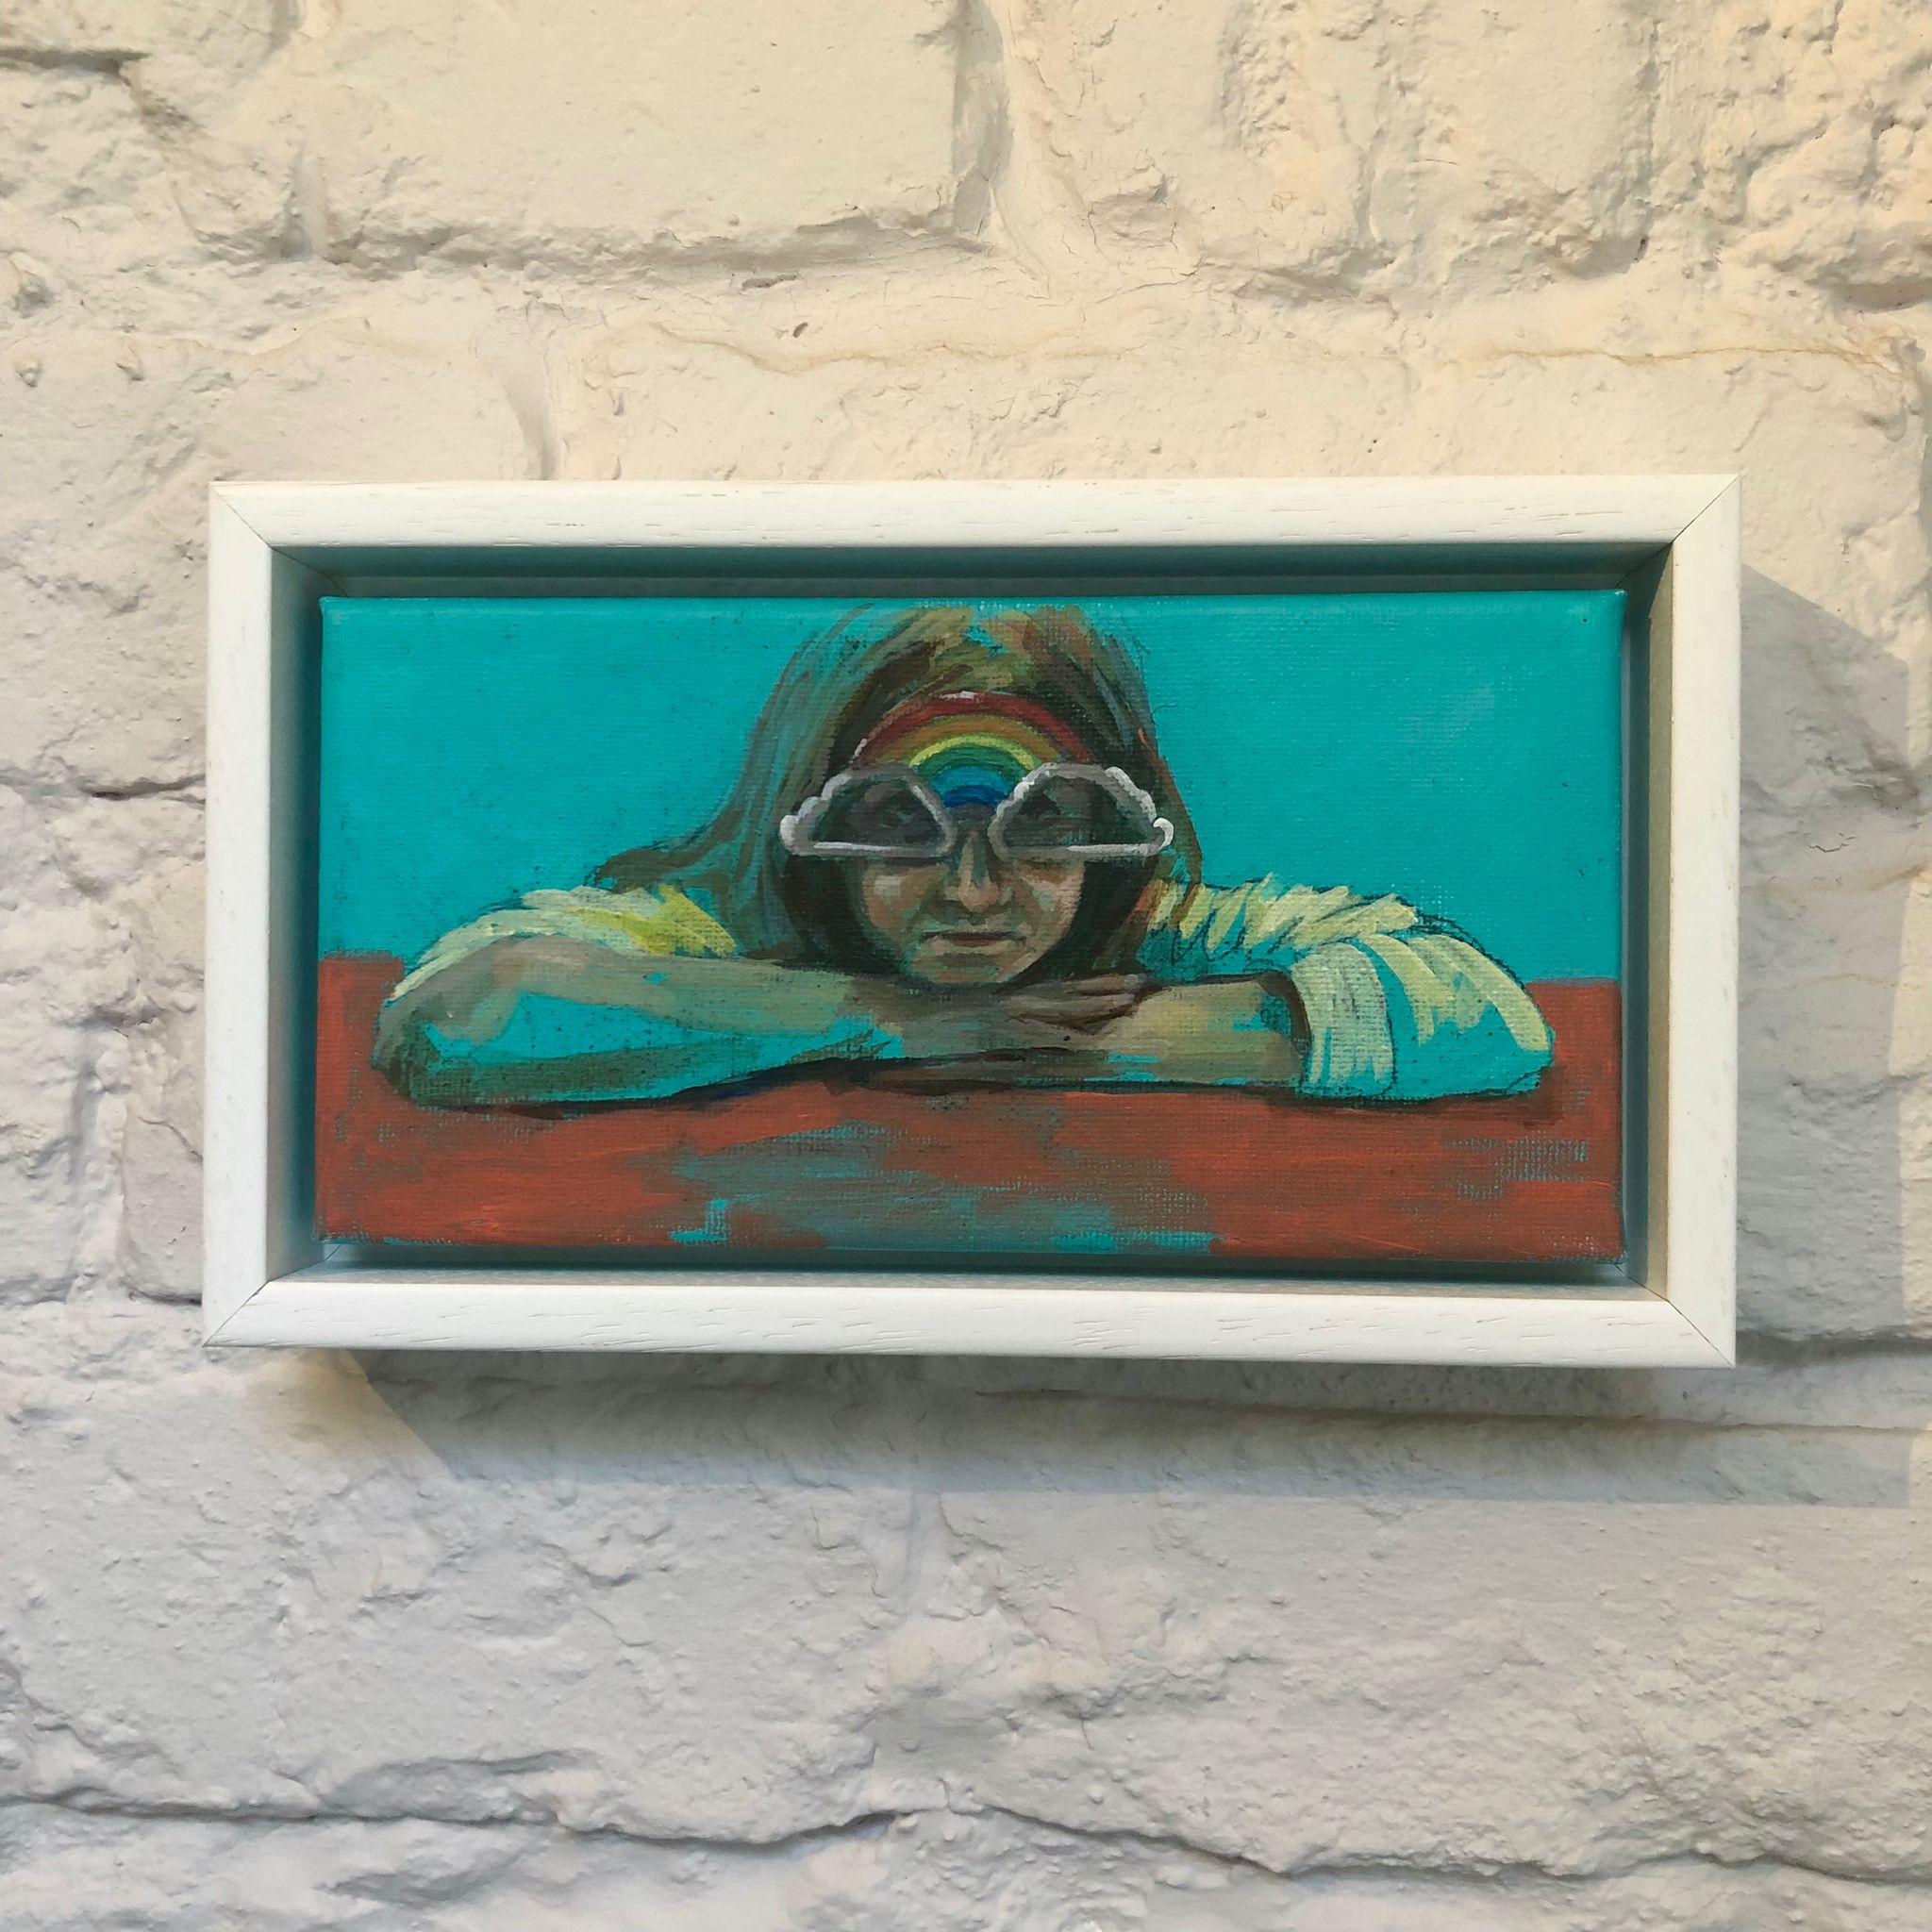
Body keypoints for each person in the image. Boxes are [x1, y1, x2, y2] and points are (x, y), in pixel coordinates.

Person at [374, 605, 1554, 1108]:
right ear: (814, 833)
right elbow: (458, 1012)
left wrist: (1062, 1039)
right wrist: (882, 1017)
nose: (976, 891)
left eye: (1043, 828)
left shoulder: (1151, 924)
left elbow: (1484, 1012)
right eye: (900, 829)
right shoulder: (730, 919)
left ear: (1107, 833)